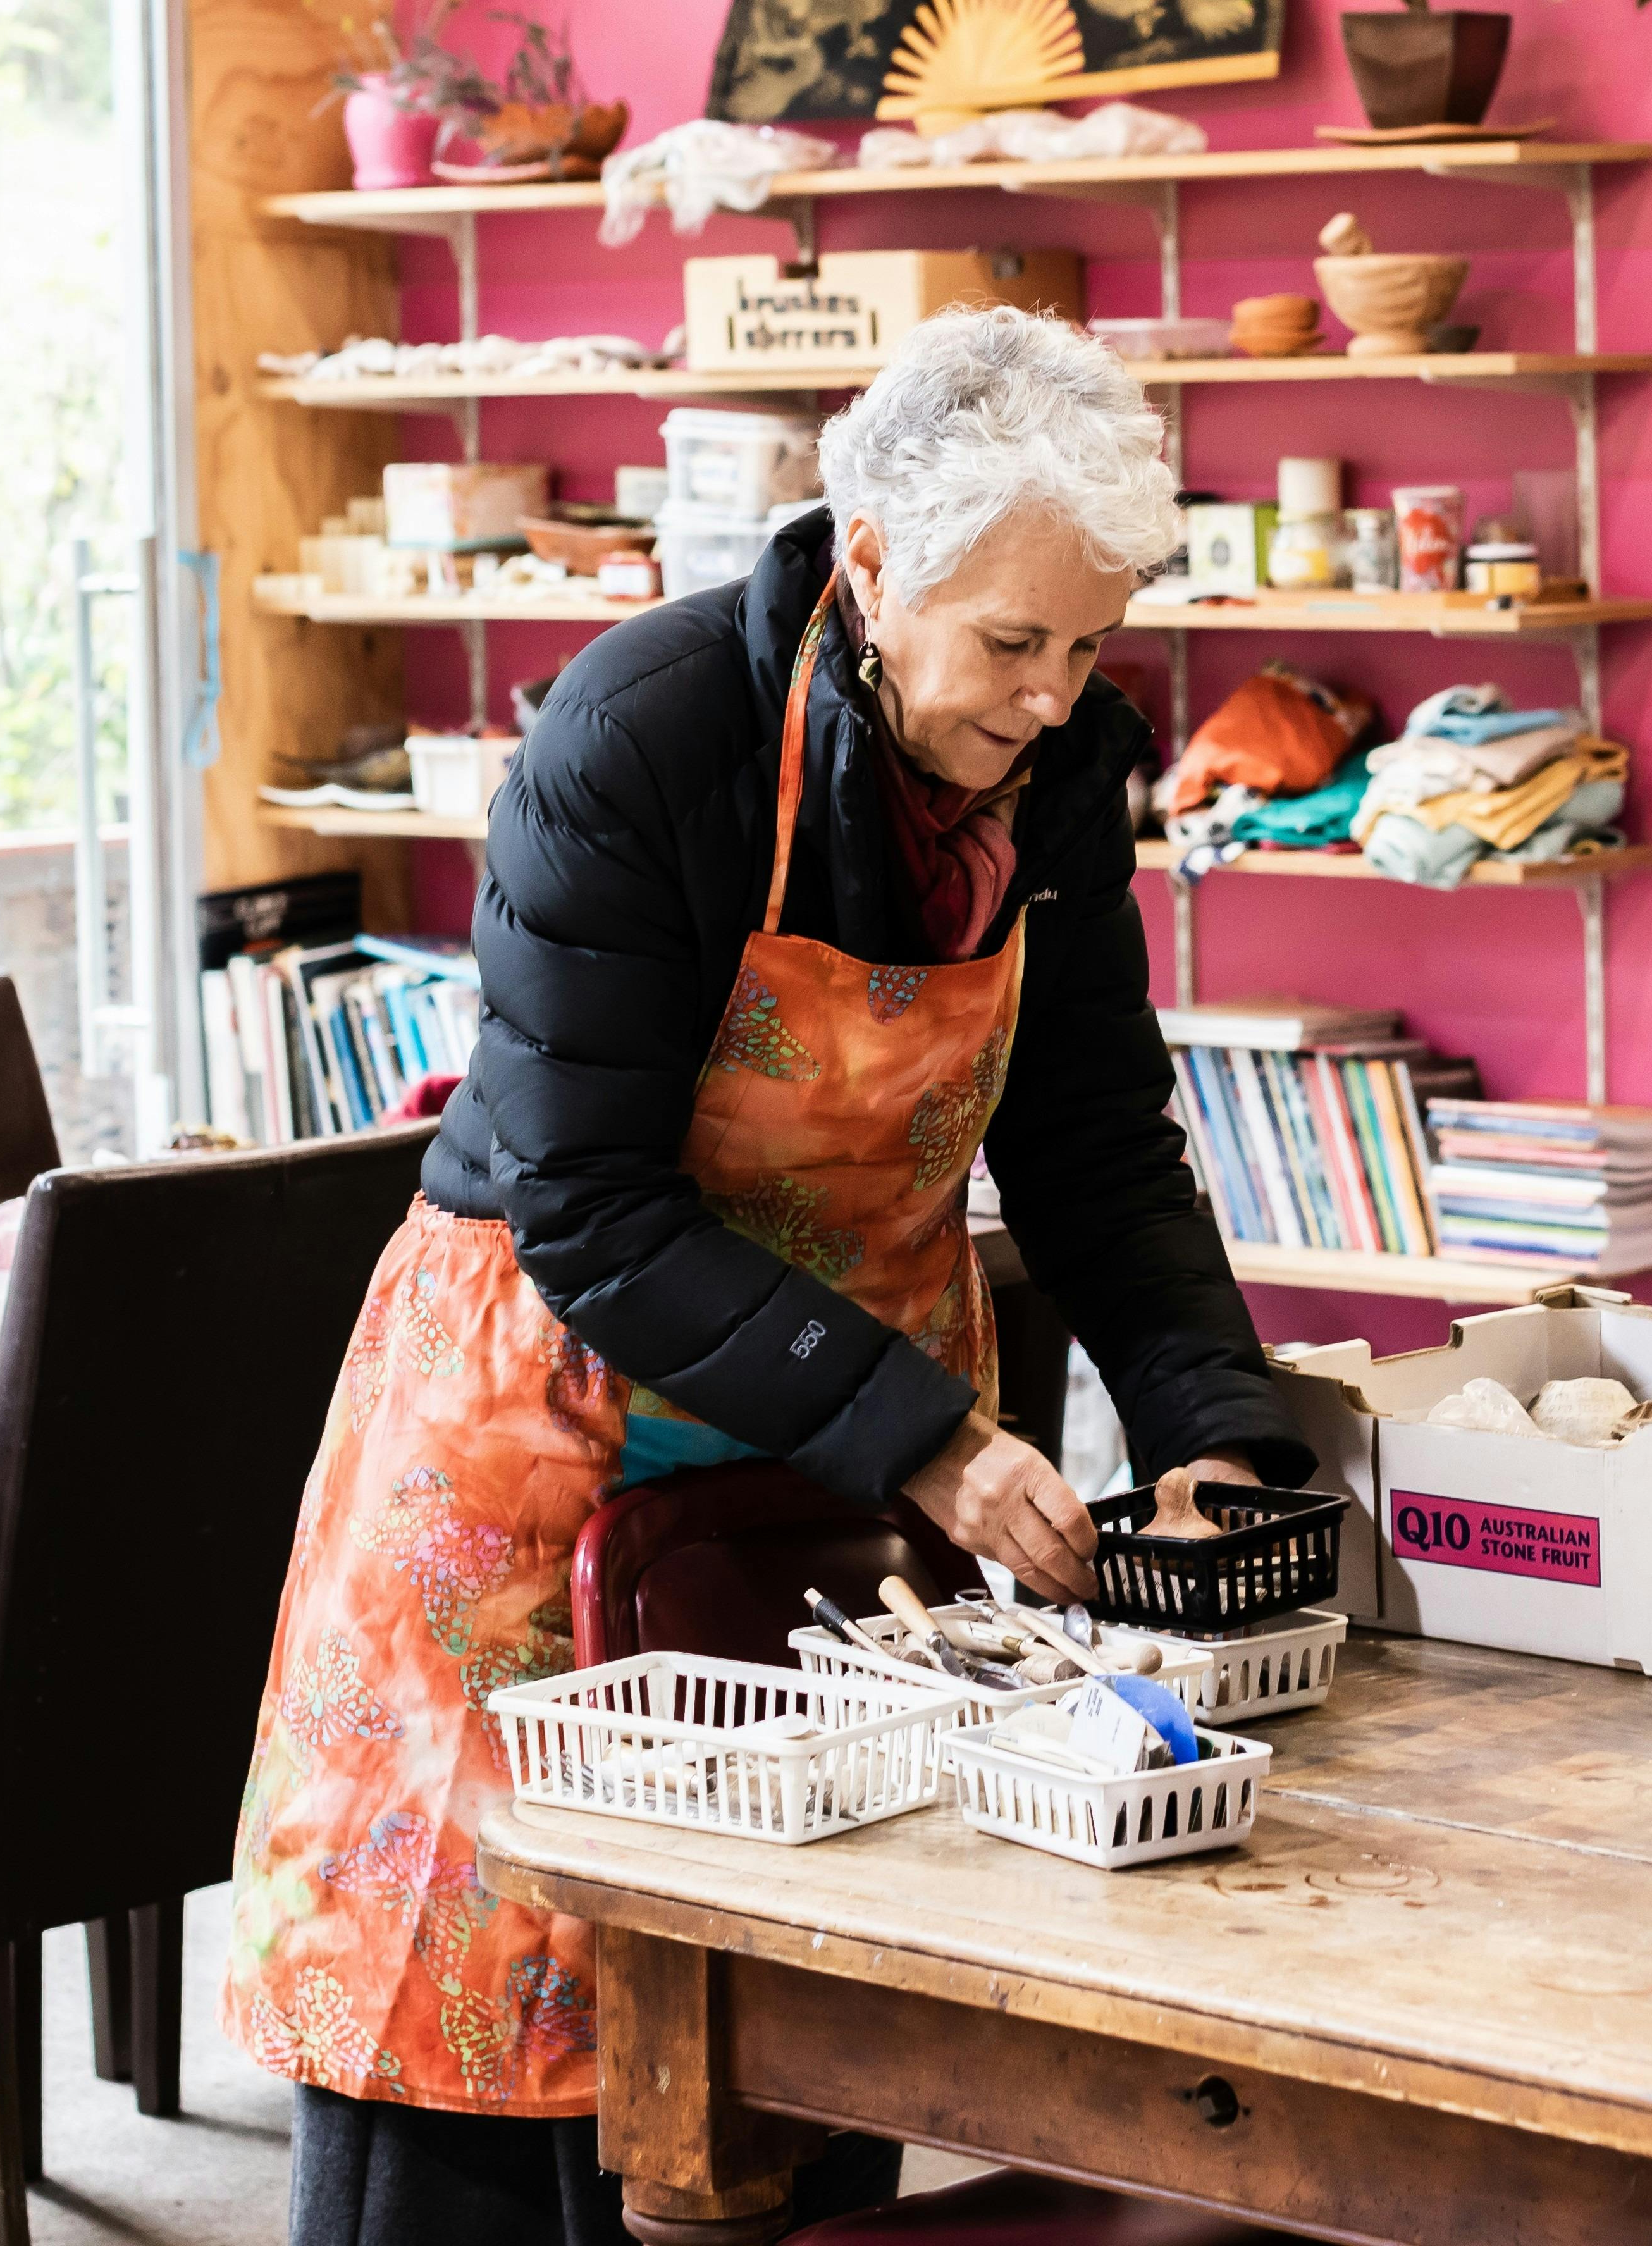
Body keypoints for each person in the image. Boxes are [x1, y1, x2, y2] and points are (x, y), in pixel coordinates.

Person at [226, 310, 1312, 2245]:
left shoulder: (1062, 770)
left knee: (803, 2037)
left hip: (835, 1463)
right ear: (874, 561)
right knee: (496, 2024)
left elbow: (1094, 1143)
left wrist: (1210, 1434)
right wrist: (936, 1440)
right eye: (1014, 643)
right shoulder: (638, 738)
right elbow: (588, 1205)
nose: (1054, 700)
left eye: (1090, 648)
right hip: (539, 1435)